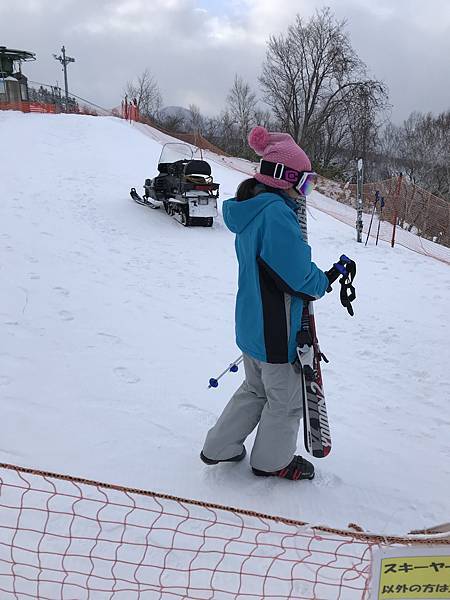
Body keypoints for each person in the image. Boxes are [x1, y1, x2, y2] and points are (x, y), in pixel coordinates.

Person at [200, 126, 330, 481]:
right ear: (284, 179)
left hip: (251, 325)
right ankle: (273, 462)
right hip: (276, 331)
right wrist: (323, 281)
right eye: (304, 184)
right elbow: (300, 278)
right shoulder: (275, 215)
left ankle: (219, 447)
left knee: (255, 388)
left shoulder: (252, 208)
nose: (305, 193)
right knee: (285, 402)